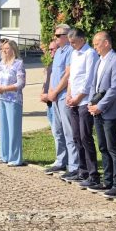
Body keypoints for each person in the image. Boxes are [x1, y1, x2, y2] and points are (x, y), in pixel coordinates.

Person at [88, 31, 116, 197]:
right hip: (97, 110)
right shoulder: (99, 60)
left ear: (106, 43)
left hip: (110, 111)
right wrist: (91, 102)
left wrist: (100, 106)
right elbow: (94, 85)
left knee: (113, 148)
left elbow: (115, 88)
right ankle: (107, 181)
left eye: (97, 44)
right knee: (103, 147)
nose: (95, 47)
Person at [65, 28, 102, 189]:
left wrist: (78, 98)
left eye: (73, 42)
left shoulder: (90, 54)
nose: (71, 45)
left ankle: (93, 173)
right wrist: (69, 95)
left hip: (84, 101)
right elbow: (72, 77)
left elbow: (88, 79)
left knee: (85, 136)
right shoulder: (74, 53)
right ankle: (82, 170)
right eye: (70, 42)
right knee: (76, 136)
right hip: (73, 100)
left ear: (82, 39)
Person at [44, 24, 80, 180]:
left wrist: (55, 91)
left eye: (59, 35)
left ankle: (74, 165)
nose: (55, 37)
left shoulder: (70, 51)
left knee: (68, 132)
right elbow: (54, 75)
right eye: (55, 35)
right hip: (55, 97)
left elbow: (67, 75)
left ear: (67, 35)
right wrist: (50, 92)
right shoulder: (58, 51)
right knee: (58, 130)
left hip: (63, 96)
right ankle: (61, 160)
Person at [0, 39, 27, 166]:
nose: (4, 51)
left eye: (7, 48)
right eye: (3, 48)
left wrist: (5, 89)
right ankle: (4, 155)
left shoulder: (18, 64)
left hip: (13, 99)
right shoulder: (2, 63)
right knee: (3, 128)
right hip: (1, 98)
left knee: (14, 129)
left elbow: (21, 83)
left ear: (13, 50)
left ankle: (15, 158)